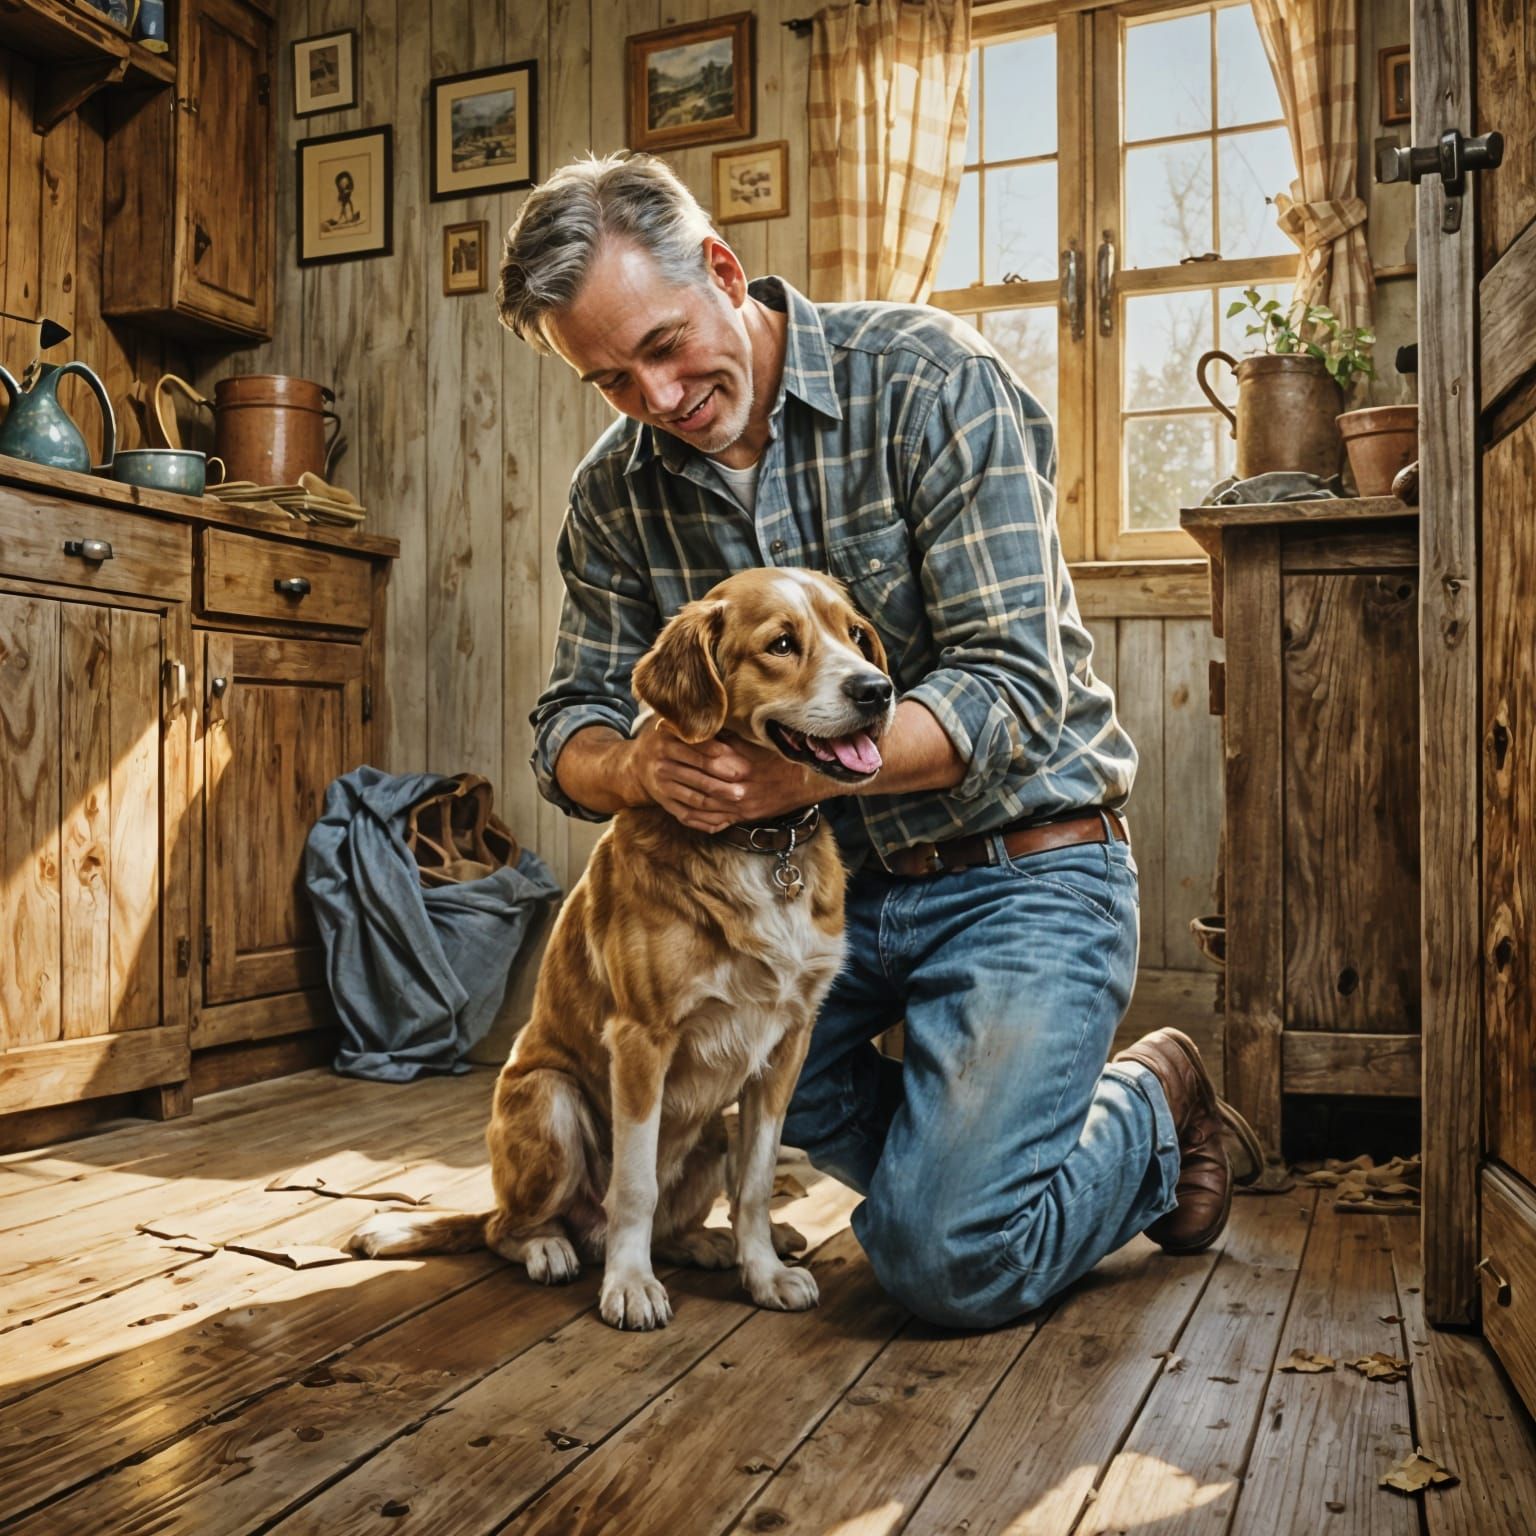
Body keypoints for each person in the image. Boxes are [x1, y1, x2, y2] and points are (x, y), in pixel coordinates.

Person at [502, 150, 1255, 1328]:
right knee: (714, 1080)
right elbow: (567, 727)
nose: (652, 398)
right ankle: (971, 1148)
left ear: (722, 268)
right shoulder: (615, 492)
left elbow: (1012, 688)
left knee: (943, 1259)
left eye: (660, 346)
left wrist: (778, 778)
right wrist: (638, 765)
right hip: (796, 894)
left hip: (1023, 865)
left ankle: (1149, 1106)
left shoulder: (929, 377)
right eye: (608, 379)